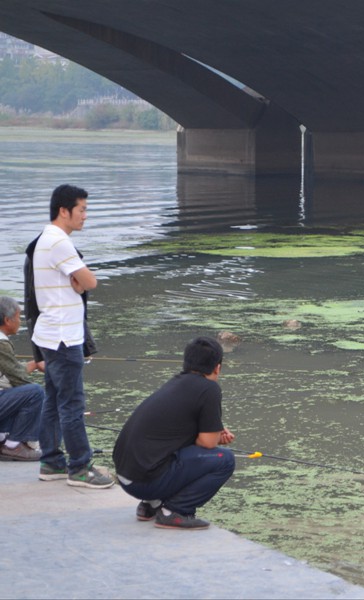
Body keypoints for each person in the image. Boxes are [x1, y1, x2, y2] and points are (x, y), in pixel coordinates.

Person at [33, 184, 113, 488]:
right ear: (64, 211)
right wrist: (79, 282)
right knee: (72, 405)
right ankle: (80, 468)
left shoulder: (45, 239)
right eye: (81, 210)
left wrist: (77, 282)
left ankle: (51, 462)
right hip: (65, 338)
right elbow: (90, 281)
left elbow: (80, 282)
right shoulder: (59, 243)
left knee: (53, 401)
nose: (85, 216)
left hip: (50, 335)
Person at [113, 336, 236, 530]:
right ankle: (174, 510)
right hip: (144, 481)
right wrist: (214, 435)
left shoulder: (176, 382)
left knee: (169, 450)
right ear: (217, 367)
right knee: (225, 459)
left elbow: (179, 430)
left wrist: (214, 429)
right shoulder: (209, 388)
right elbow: (207, 443)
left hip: (125, 475)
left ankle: (151, 505)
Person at [0, 296, 44, 461]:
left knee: (16, 393)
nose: (20, 321)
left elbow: (11, 370)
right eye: (18, 317)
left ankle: (4, 438)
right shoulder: (1, 343)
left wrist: (34, 364)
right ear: (7, 320)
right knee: (35, 393)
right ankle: (12, 446)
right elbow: (18, 378)